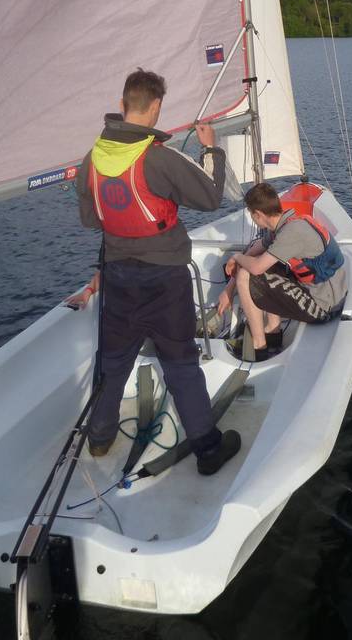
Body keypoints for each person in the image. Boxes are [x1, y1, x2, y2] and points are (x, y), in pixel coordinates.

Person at [76, 68, 240, 475]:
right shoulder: (159, 157)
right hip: (164, 278)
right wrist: (211, 150)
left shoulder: (90, 161)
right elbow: (210, 197)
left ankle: (99, 439)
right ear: (157, 107)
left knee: (113, 363)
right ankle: (207, 449)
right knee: (181, 364)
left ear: (121, 106)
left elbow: (91, 221)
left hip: (117, 278)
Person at [217, 182, 347, 361]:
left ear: (258, 214)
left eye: (251, 215)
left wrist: (237, 257)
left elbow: (255, 267)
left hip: (324, 308)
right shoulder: (286, 223)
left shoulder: (292, 232)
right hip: (323, 294)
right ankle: (273, 331)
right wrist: (228, 290)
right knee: (262, 263)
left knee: (246, 276)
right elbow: (255, 249)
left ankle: (260, 346)